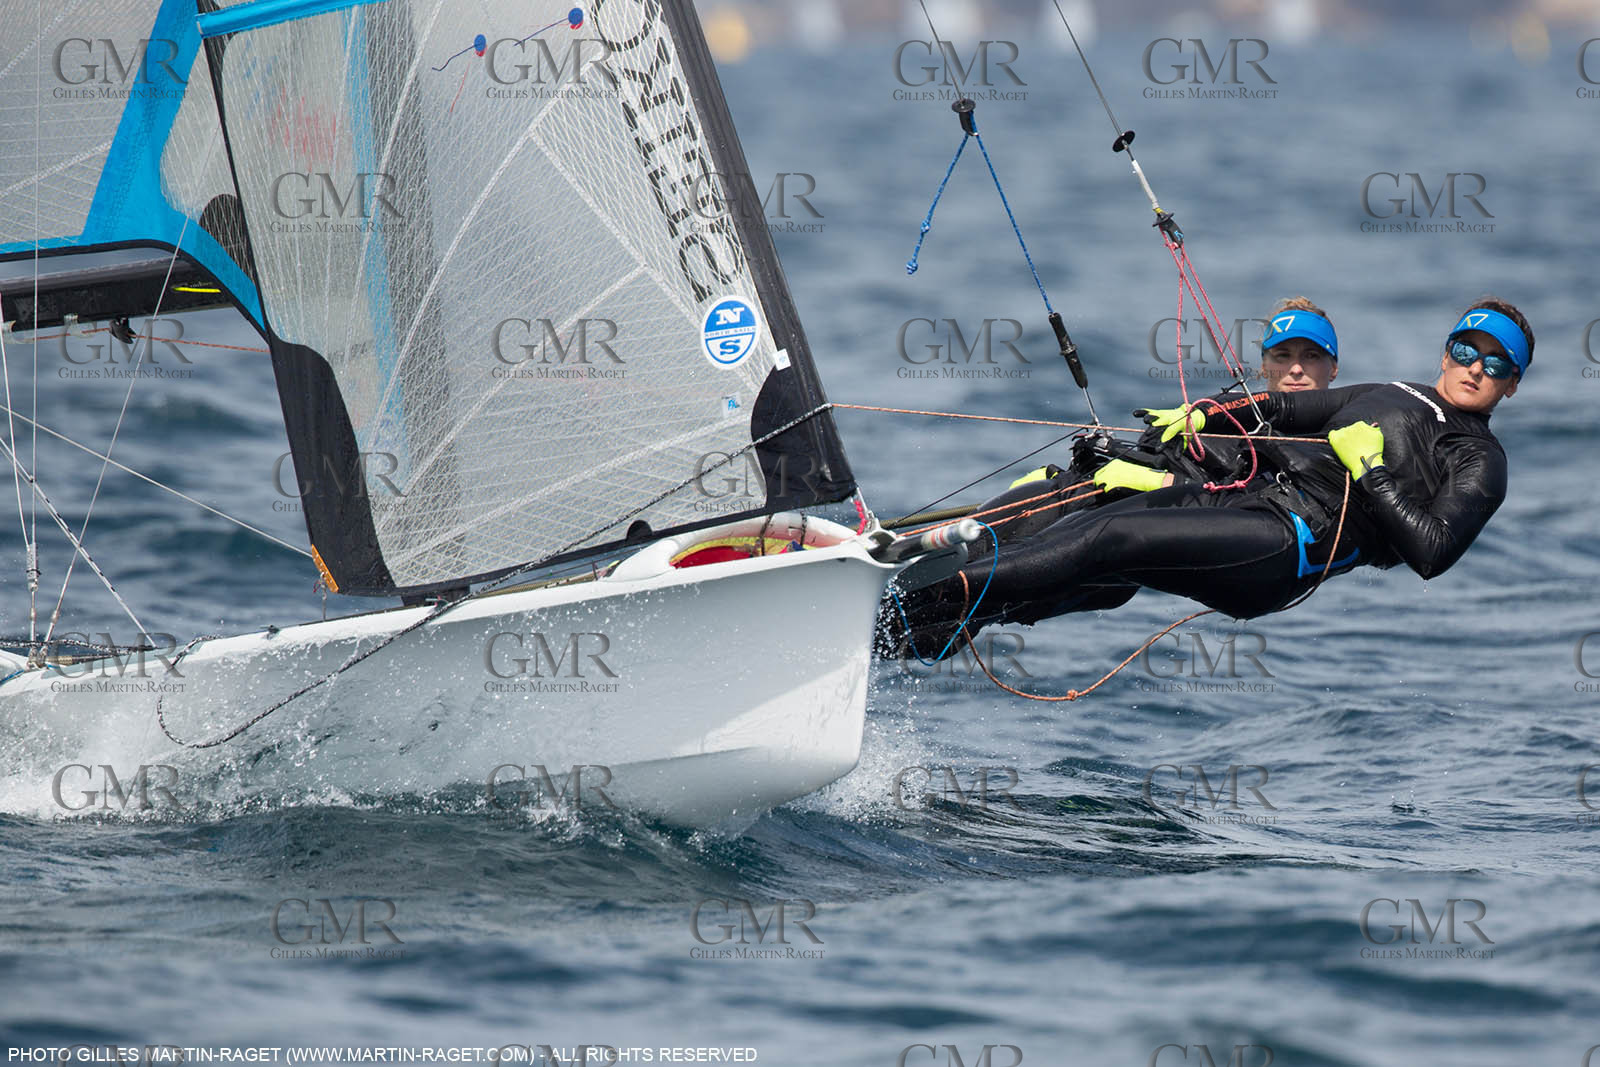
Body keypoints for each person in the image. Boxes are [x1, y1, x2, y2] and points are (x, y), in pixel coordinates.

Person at [881, 298, 1528, 658]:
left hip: (1290, 543)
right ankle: (917, 619)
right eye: (1466, 350)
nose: (1474, 368)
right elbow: (1282, 408)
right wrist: (1201, 413)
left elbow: (1434, 551)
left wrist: (1375, 472)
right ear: (1446, 350)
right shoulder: (1393, 391)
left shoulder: (1479, 458)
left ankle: (908, 608)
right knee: (1089, 520)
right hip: (1260, 507)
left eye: (1495, 363)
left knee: (1110, 537)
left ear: (1513, 383)